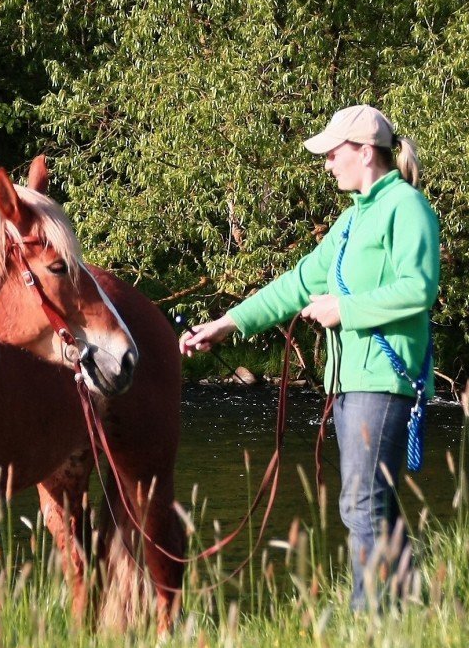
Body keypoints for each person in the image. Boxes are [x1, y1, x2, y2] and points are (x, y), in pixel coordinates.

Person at [179, 105, 440, 611]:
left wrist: (346, 308)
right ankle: (410, 611)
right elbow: (297, 285)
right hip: (348, 384)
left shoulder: (407, 208)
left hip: (384, 380)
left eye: (334, 153)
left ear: (366, 152)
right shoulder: (349, 221)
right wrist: (227, 323)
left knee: (361, 505)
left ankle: (372, 625)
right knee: (374, 505)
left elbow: (419, 290)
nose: (327, 164)